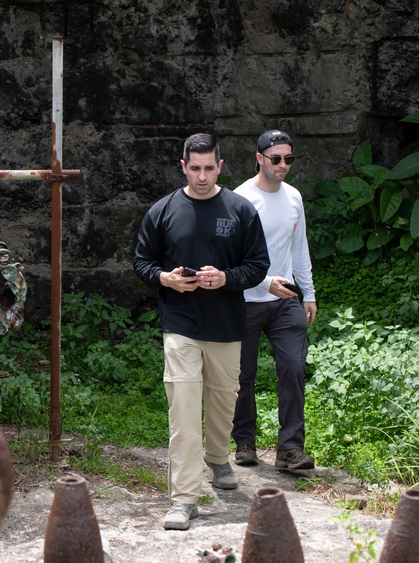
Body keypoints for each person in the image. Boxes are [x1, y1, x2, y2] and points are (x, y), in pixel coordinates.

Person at [134, 133, 270, 531]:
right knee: (183, 408)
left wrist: (225, 278)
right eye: (195, 168)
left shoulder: (241, 210)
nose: (202, 175)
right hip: (180, 324)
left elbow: (258, 265)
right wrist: (166, 279)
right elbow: (142, 262)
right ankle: (184, 499)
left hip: (227, 324)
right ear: (183, 167)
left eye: (209, 167)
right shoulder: (162, 211)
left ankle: (217, 457)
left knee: (224, 401)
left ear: (221, 166)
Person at [232, 130, 318, 471]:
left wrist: (308, 293)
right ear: (259, 158)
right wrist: (264, 282)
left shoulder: (294, 197)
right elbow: (230, 257)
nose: (283, 165)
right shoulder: (239, 199)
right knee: (242, 375)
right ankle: (244, 442)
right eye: (276, 159)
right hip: (244, 299)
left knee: (294, 367)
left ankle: (290, 449)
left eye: (289, 159)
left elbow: (299, 249)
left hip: (285, 301)